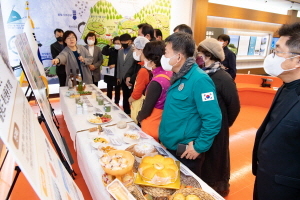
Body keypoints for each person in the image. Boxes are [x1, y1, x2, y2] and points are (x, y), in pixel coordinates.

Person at [159, 32, 222, 178]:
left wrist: (199, 146)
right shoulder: (177, 77)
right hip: (170, 147)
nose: (164, 57)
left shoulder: (199, 80)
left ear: (179, 57)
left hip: (185, 153)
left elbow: (213, 118)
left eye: (166, 53)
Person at [252, 22, 300, 200]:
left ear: (297, 60)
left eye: (278, 51)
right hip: (267, 179)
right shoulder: (285, 87)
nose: (272, 56)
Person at [197, 38, 240, 197]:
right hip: (203, 125)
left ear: (208, 55)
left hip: (218, 126)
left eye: (200, 53)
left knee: (217, 158)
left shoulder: (223, 77)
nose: (198, 56)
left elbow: (234, 106)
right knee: (205, 158)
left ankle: (217, 186)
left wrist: (224, 124)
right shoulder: (203, 74)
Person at [137, 41, 173, 141]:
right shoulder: (170, 74)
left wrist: (138, 118)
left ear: (152, 62)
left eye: (145, 58)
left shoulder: (157, 82)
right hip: (164, 125)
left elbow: (146, 109)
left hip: (151, 127)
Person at [127, 36, 150, 123]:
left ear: (142, 50)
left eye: (135, 49)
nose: (134, 51)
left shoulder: (144, 70)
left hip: (140, 105)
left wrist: (130, 100)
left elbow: (137, 93)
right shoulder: (145, 67)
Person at [116, 33, 135, 115]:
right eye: (122, 42)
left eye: (125, 41)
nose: (123, 43)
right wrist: (118, 77)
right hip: (122, 77)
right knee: (124, 95)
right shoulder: (120, 52)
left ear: (130, 41)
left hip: (131, 78)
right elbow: (119, 65)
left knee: (133, 95)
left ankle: (133, 112)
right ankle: (126, 112)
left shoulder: (134, 51)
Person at [102, 36, 121, 105]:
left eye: (118, 43)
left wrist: (115, 65)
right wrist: (108, 44)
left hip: (118, 72)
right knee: (109, 87)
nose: (117, 45)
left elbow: (123, 63)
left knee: (117, 88)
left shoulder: (122, 51)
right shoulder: (112, 50)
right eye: (115, 43)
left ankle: (117, 102)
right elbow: (104, 52)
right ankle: (108, 101)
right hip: (110, 72)